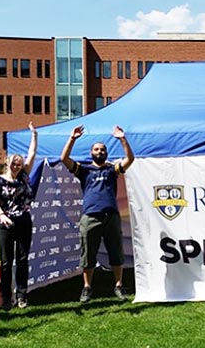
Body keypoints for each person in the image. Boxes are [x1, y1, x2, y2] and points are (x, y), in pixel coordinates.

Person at [60, 125, 134, 303]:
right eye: (96, 149)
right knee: (88, 253)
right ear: (91, 152)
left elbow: (130, 159)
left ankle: (118, 285)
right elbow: (64, 158)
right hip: (90, 216)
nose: (99, 151)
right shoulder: (84, 170)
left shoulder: (111, 170)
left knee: (116, 252)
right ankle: (87, 287)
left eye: (102, 149)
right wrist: (72, 139)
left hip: (111, 217)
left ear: (106, 153)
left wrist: (122, 139)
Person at [0, 122, 37, 310]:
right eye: (14, 163)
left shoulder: (23, 176)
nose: (17, 166)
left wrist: (34, 136)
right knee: (6, 262)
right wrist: (2, 215)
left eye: (19, 164)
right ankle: (6, 297)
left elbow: (31, 154)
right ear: (7, 163)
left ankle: (22, 295)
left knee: (22, 260)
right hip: (5, 222)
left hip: (23, 221)